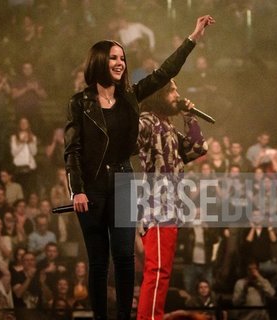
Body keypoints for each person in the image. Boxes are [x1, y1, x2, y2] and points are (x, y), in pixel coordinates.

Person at [64, 15, 214, 320]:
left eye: (122, 58)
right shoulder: (85, 104)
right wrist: (77, 190)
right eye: (114, 58)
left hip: (132, 188)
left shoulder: (133, 100)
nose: (120, 63)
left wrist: (193, 38)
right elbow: (75, 149)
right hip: (103, 190)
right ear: (99, 62)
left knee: (125, 258)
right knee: (101, 262)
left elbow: (165, 74)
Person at [136, 77, 209, 318]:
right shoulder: (147, 121)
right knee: (156, 270)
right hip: (156, 207)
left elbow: (198, 148)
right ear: (160, 95)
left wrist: (189, 116)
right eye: (173, 91)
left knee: (163, 271)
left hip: (170, 210)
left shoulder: (167, 126)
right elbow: (130, 136)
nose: (177, 94)